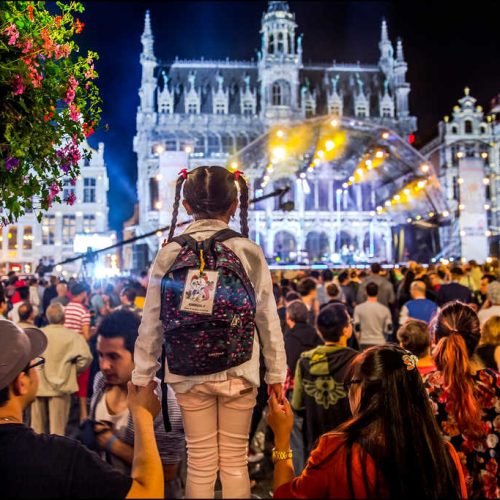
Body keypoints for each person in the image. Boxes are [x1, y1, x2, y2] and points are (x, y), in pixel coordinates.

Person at [132, 166, 286, 499]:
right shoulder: (247, 250)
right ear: (234, 205)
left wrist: (144, 376)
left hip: (186, 370)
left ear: (185, 206)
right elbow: (267, 319)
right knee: (234, 463)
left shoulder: (170, 252)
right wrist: (276, 375)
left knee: (199, 462)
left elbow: (151, 322)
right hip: (240, 368)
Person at [269, 345, 467, 499]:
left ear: (365, 389)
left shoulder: (337, 450)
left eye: (351, 383)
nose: (348, 393)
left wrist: (282, 437)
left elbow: (285, 495)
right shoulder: (443, 454)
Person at [0, 319, 164, 499]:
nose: (104, 366)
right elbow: (150, 494)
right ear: (21, 383)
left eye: (113, 356)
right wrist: (143, 416)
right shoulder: (59, 457)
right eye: (34, 365)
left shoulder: (164, 397)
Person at [90, 309, 185, 498]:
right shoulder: (101, 381)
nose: (104, 365)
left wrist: (112, 444)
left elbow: (168, 471)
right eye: (100, 355)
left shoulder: (165, 402)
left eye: (114, 356)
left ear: (138, 354)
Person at [424, 301, 500, 498]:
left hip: (445, 489)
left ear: (435, 337)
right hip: (491, 489)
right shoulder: (494, 383)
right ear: (477, 339)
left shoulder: (423, 389)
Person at [292, 304, 357, 455]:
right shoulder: (357, 361)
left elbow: (297, 404)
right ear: (346, 330)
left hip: (317, 444)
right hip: (348, 443)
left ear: (319, 331)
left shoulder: (305, 361)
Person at [31, 303, 93, 436]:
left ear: (47, 317)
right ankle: (54, 456)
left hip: (38, 386)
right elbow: (86, 358)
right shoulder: (73, 336)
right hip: (61, 386)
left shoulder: (39, 334)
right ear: (64, 318)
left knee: (36, 430)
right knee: (57, 433)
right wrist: (74, 370)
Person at [64, 281, 92, 422]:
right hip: (79, 352)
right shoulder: (84, 311)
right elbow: (86, 336)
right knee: (82, 382)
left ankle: (67, 412)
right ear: (82, 294)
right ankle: (83, 414)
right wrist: (94, 330)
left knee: (68, 380)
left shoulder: (65, 308)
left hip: (66, 351)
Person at [353, 282, 392, 350]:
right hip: (380, 341)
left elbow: (357, 328)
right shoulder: (385, 310)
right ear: (378, 292)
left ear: (366, 292)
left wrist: (359, 341)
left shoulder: (358, 308)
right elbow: (389, 329)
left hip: (364, 342)